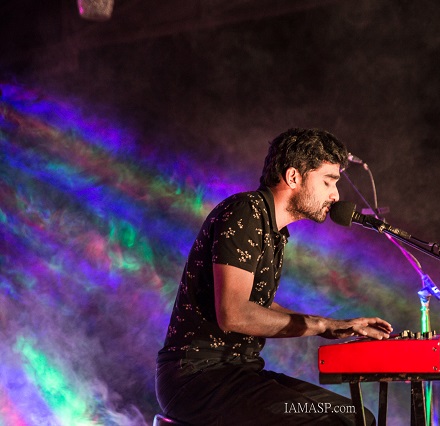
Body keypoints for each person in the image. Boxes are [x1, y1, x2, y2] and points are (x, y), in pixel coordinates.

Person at [156, 128, 393, 425]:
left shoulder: (274, 230)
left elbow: (258, 304)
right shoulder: (245, 213)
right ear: (293, 177)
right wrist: (317, 324)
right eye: (328, 181)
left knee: (357, 418)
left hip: (237, 374)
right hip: (198, 379)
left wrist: (330, 326)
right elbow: (234, 313)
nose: (335, 195)